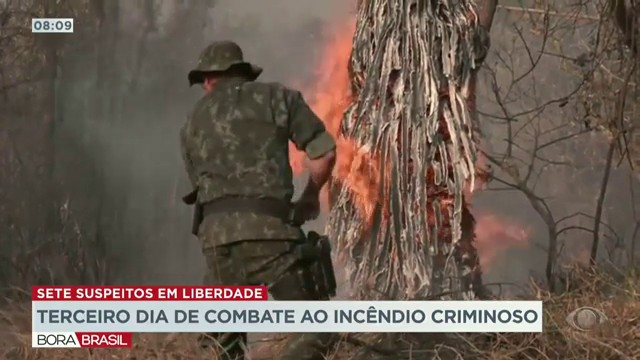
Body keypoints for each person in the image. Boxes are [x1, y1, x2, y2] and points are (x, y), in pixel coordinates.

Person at [180, 40, 338, 360]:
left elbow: (200, 185)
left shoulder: (192, 122)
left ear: (210, 79)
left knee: (222, 346)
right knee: (318, 329)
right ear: (241, 73)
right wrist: (309, 198)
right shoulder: (278, 98)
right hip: (272, 237)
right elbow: (324, 154)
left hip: (216, 243)